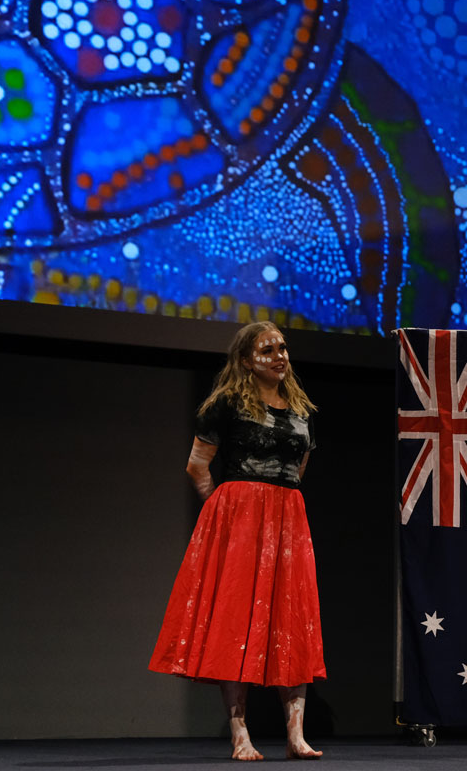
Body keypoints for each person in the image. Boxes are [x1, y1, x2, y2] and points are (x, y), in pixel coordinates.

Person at [149, 321, 326, 761]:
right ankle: (240, 733)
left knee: (292, 617)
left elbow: (299, 465)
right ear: (247, 360)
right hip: (242, 519)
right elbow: (197, 466)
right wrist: (222, 510)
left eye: (283, 348)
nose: (280, 355)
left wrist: (279, 502)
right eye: (269, 349)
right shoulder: (227, 404)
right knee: (237, 621)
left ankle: (295, 735)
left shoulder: (301, 412)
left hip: (288, 521)